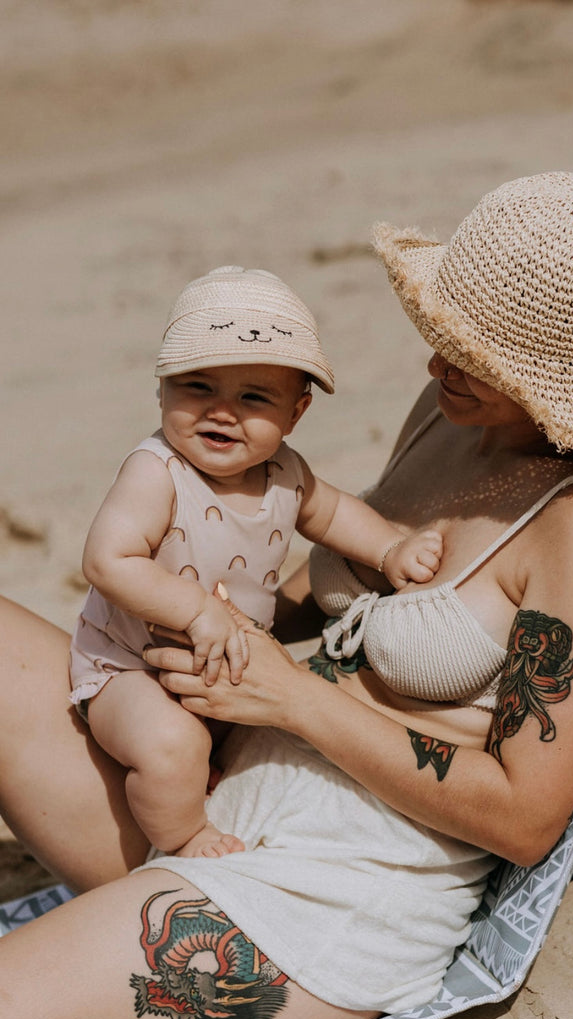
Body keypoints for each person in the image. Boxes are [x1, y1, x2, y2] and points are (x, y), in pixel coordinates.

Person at [0, 171, 573, 1019]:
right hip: (207, 780)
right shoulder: (452, 419)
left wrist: (290, 697)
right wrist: (205, 610)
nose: (433, 365)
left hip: (327, 891)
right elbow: (324, 577)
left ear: (548, 372)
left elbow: (526, 814)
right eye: (441, 334)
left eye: (470, 352)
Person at [69, 265, 443, 859]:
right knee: (171, 747)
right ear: (161, 388)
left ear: (296, 414)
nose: (222, 411)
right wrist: (195, 612)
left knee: (251, 738)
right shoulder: (156, 471)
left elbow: (334, 513)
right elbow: (108, 561)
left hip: (225, 660)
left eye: (253, 397)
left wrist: (388, 549)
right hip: (130, 668)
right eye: (198, 387)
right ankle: (182, 840)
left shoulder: (284, 472)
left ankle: (204, 782)